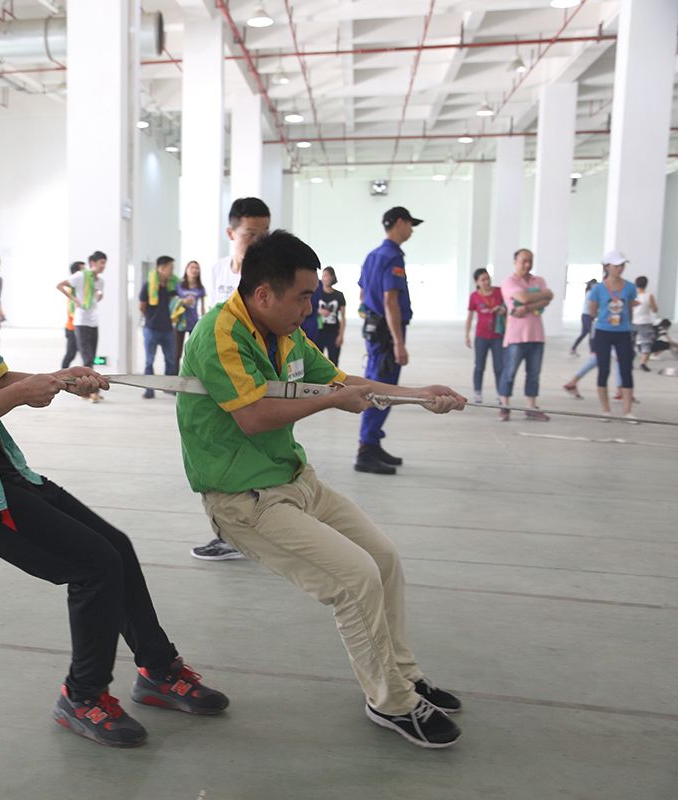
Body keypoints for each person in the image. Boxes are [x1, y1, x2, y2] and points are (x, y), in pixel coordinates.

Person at [0, 191, 228, 749]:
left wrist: (57, 379)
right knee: (93, 566)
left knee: (116, 547)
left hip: (3, 470)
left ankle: (158, 670)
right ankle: (83, 697)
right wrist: (22, 393)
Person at [176, 229, 467, 749]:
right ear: (263, 294)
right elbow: (254, 416)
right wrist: (332, 401)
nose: (310, 308)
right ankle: (391, 702)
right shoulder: (219, 333)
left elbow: (339, 381)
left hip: (295, 481)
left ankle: (403, 676)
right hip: (244, 501)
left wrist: (418, 394)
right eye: (303, 297)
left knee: (383, 559)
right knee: (355, 578)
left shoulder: (286, 332)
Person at [191, 197, 270, 561]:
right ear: (231, 233)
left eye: (264, 234)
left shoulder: (269, 276)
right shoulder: (219, 270)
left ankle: (244, 536)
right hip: (222, 374)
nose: (258, 242)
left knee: (251, 455)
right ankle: (235, 534)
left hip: (255, 374)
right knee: (222, 453)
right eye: (250, 234)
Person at [355, 206, 421, 475]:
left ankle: (372, 443)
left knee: (379, 386)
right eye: (410, 224)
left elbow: (362, 295)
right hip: (386, 335)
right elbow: (390, 300)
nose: (412, 230)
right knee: (382, 390)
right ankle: (366, 451)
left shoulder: (373, 255)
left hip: (375, 330)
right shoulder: (392, 256)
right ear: (400, 222)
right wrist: (398, 343)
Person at [497, 249, 553, 422]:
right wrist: (539, 297)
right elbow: (523, 297)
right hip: (516, 337)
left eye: (530, 261)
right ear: (515, 262)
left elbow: (548, 298)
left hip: (537, 336)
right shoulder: (509, 281)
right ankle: (504, 406)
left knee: (534, 374)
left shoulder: (539, 280)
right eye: (523, 261)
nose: (527, 264)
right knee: (509, 373)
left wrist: (527, 306)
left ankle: (531, 407)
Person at [587, 250, 638, 420]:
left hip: (623, 332)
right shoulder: (598, 289)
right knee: (604, 369)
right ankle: (605, 410)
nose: (620, 268)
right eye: (616, 265)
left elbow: (629, 309)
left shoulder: (630, 287)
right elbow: (592, 311)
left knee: (626, 369)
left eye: (622, 265)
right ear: (607, 266)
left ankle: (627, 411)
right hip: (603, 332)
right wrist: (605, 317)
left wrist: (629, 325)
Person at [57, 251, 107, 403]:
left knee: (90, 358)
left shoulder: (100, 281)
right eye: (101, 262)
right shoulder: (80, 276)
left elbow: (98, 295)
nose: (104, 266)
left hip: (94, 322)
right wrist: (75, 300)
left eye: (105, 263)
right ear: (92, 263)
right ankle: (93, 392)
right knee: (88, 358)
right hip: (81, 323)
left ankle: (86, 391)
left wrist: (98, 296)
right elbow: (60, 285)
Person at [138, 256, 180, 399]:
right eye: (170, 268)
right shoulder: (148, 285)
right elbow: (142, 306)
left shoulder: (172, 286)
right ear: (161, 268)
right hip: (151, 329)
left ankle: (169, 387)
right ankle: (149, 390)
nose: (172, 271)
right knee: (149, 361)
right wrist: (152, 318)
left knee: (171, 360)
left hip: (168, 329)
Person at [464, 268, 506, 404]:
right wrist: (467, 335)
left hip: (497, 336)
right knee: (479, 366)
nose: (486, 282)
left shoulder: (499, 292)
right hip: (481, 336)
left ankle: (500, 393)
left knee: (499, 367)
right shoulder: (474, 296)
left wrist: (502, 309)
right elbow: (470, 317)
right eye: (483, 280)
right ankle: (477, 392)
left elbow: (508, 307)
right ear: (477, 282)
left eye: (488, 278)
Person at [174, 260, 206, 367]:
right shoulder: (179, 286)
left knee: (193, 352)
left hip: (194, 322)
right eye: (192, 267)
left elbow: (202, 307)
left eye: (197, 268)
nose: (194, 270)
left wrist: (203, 322)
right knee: (176, 353)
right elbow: (173, 302)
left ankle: (191, 373)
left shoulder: (200, 288)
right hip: (180, 322)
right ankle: (174, 375)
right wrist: (183, 301)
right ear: (186, 270)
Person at [315, 266, 346, 366]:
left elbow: (343, 317)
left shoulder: (339, 295)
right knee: (317, 361)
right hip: (319, 332)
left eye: (327, 276)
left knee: (334, 362)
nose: (324, 278)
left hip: (333, 333)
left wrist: (341, 335)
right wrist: (319, 311)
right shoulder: (316, 294)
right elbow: (310, 309)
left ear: (332, 277)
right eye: (323, 276)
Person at [633, 275, 659, 371]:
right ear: (646, 284)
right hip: (645, 322)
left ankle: (628, 362)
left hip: (632, 322)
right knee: (646, 343)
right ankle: (643, 363)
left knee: (630, 343)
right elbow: (655, 309)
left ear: (636, 284)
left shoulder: (632, 296)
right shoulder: (649, 295)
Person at [61, 261, 83, 369]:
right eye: (83, 270)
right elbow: (72, 311)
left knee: (79, 353)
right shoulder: (73, 291)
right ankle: (62, 373)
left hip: (76, 327)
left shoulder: (79, 290)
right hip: (72, 328)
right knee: (71, 354)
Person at [569, 279, 597, 356]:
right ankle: (592, 352)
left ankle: (573, 348)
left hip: (586, 315)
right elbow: (591, 305)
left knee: (584, 333)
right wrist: (595, 313)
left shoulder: (590, 293)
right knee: (592, 333)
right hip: (587, 316)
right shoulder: (590, 293)